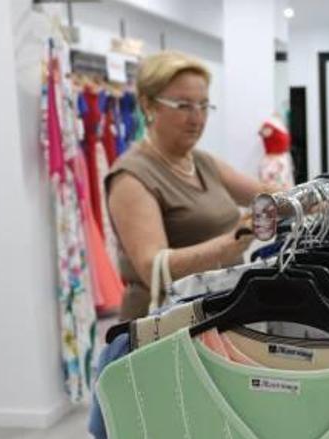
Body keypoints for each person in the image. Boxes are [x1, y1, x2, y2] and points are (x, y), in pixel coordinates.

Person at [106, 51, 279, 320]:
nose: (197, 118)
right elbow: (152, 268)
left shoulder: (201, 162)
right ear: (148, 106)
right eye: (184, 106)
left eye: (203, 105)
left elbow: (266, 196)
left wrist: (321, 197)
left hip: (214, 315)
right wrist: (230, 244)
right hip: (162, 331)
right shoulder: (131, 176)